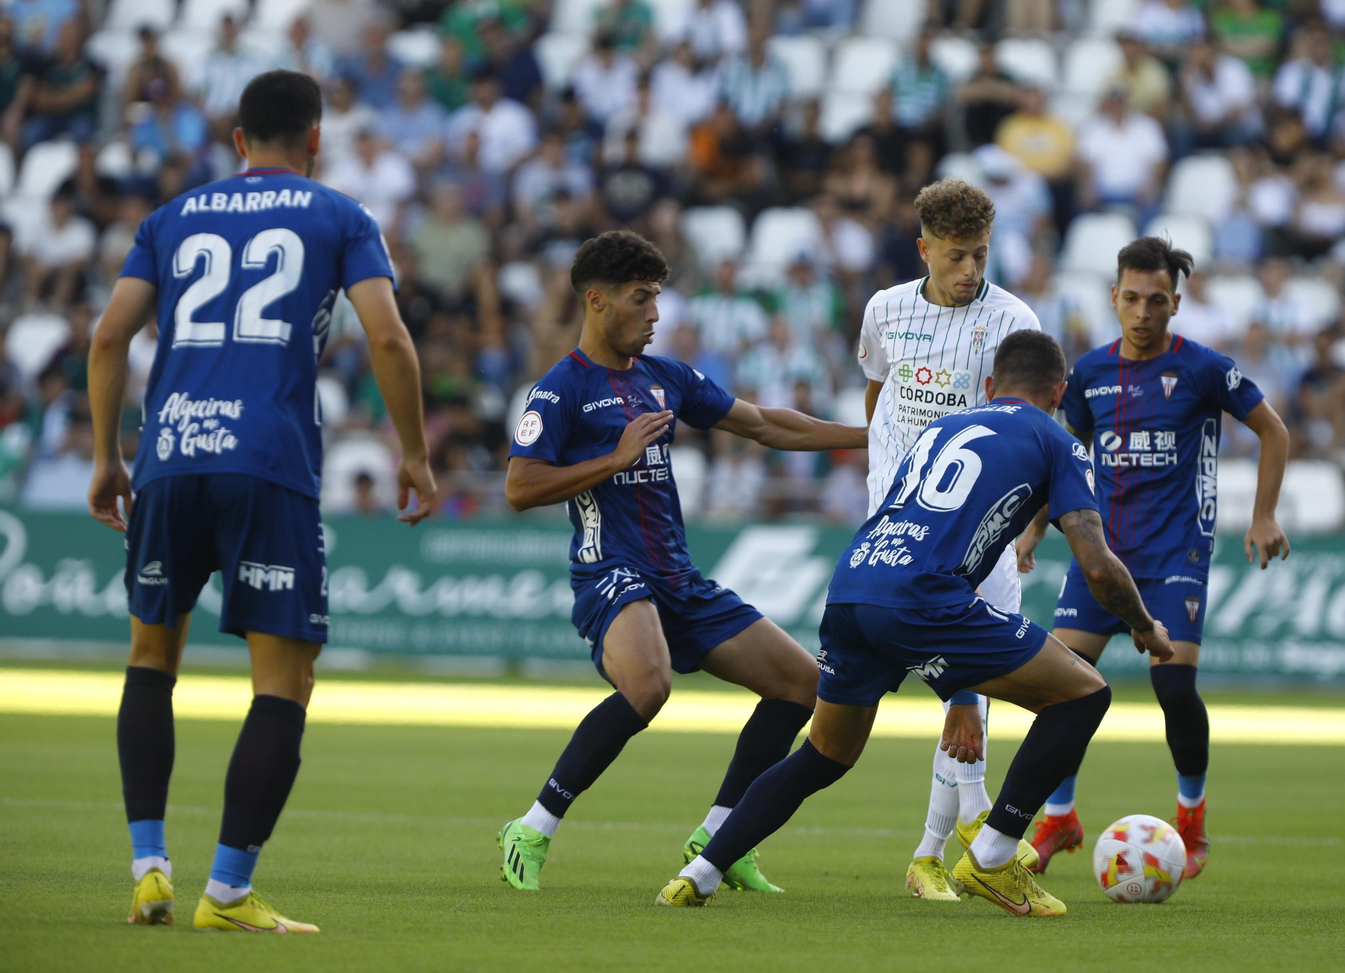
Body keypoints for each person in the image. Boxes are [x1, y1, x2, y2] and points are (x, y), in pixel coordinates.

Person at [657, 329, 1175, 913]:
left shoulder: (940, 428)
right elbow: (1099, 569)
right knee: (1082, 695)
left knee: (824, 753)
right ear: (1060, 392)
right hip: (926, 595)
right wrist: (1144, 625)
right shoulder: (1057, 441)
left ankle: (699, 873)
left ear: (987, 386)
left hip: (854, 584)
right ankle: (995, 857)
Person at [86, 70, 436, 933]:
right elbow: (387, 336)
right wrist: (417, 454)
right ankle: (229, 891)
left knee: (148, 660)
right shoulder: (340, 215)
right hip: (267, 460)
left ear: (236, 139)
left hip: (168, 457)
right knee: (285, 680)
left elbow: (107, 336)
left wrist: (107, 456)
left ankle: (148, 869)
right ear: (314, 139)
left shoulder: (170, 218)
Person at [495, 230, 866, 894]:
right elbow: (519, 488)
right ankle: (533, 824)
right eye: (643, 300)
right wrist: (610, 460)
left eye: (659, 299)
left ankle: (721, 833)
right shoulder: (560, 391)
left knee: (802, 685)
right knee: (649, 687)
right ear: (598, 301)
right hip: (611, 570)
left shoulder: (666, 378)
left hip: (678, 576)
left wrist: (874, 437)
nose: (657, 315)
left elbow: (765, 425)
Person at [1027, 237, 1291, 880]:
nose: (1143, 311)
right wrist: (1034, 527)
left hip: (1177, 553)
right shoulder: (1087, 373)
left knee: (1173, 685)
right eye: (1131, 298)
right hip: (1101, 554)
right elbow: (1064, 456)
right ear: (1114, 298)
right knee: (1060, 687)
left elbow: (1274, 430)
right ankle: (1059, 818)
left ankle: (1192, 816)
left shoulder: (1204, 368)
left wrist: (1262, 514)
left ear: (1176, 303)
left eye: (1156, 300)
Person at [855, 178, 1045, 900]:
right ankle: (979, 840)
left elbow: (1022, 425)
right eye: (958, 256)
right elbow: (880, 391)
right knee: (962, 685)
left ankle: (937, 851)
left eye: (982, 255)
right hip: (903, 525)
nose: (971, 270)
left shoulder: (1012, 319)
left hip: (981, 525)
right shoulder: (885, 309)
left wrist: (1024, 521)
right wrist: (884, 473)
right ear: (924, 249)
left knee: (977, 687)